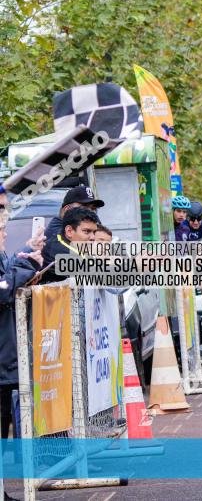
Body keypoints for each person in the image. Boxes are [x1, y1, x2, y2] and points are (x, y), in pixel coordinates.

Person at [0, 188, 44, 483]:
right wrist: (26, 264)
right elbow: (2, 290)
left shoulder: (3, 252)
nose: (4, 230)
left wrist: (23, 255)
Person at [41, 207, 100, 284]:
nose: (93, 237)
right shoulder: (61, 250)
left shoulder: (64, 238)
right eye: (86, 231)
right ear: (69, 231)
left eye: (94, 232)